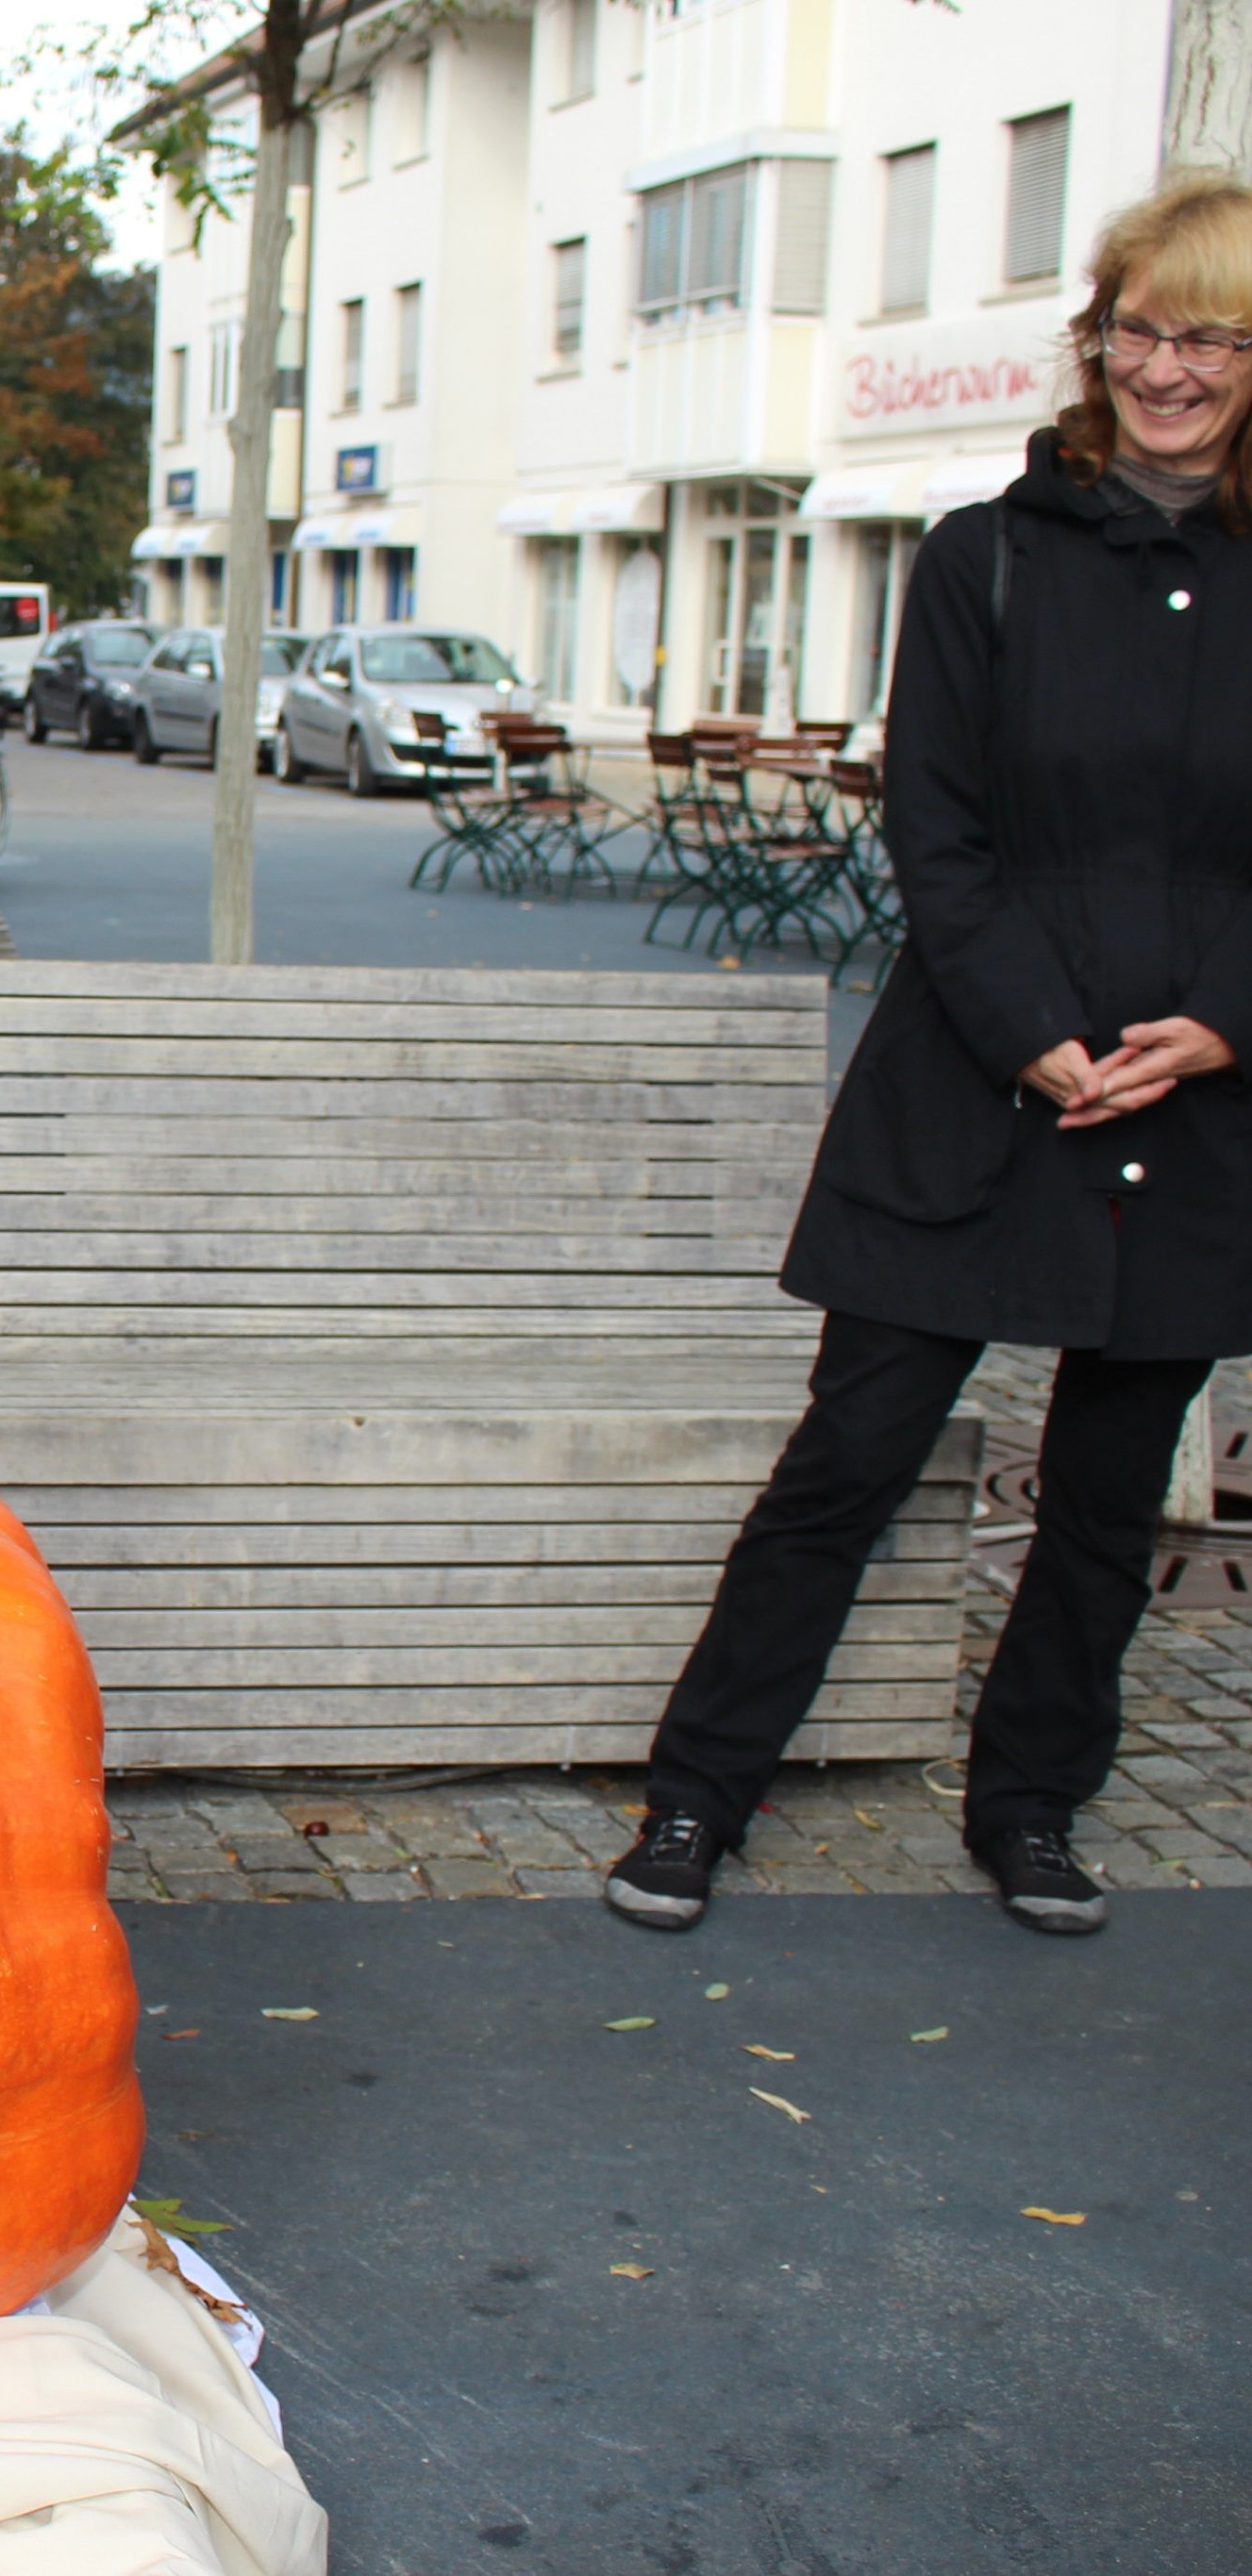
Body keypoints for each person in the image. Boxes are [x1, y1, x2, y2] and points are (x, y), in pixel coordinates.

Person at [607, 173, 1252, 1939]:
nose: (1166, 368)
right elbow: (937, 838)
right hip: (977, 1085)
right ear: (1093, 336)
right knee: (850, 1455)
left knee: (1108, 1501)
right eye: (1138, 328)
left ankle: (1032, 1806)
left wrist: (1222, 1024)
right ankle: (695, 1796)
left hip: (1195, 1114)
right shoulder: (986, 557)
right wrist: (1042, 1039)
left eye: (1208, 335)